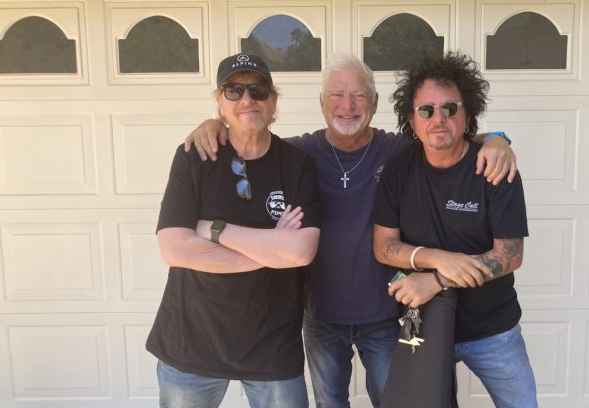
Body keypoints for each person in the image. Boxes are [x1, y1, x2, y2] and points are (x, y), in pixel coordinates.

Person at [185, 54, 518, 407]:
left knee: (395, 401)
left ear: (374, 104)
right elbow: (249, 140)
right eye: (336, 95)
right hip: (321, 315)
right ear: (322, 103)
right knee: (330, 403)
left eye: (359, 95)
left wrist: (497, 139)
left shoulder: (398, 150)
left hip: (387, 314)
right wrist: (213, 123)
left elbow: (446, 138)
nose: (348, 106)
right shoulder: (298, 153)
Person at [146, 53, 322, 408]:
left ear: (273, 102)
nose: (247, 100)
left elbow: (300, 252)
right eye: (234, 90)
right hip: (191, 341)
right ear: (219, 102)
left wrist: (215, 230)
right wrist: (271, 251)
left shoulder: (298, 164)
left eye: (258, 90)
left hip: (272, 344)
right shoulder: (193, 157)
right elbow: (174, 250)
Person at [372, 51, 537, 408]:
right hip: (425, 328)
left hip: (492, 328)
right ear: (411, 120)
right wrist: (437, 259)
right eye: (426, 110)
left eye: (450, 108)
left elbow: (510, 255)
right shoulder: (398, 171)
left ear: (467, 114)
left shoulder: (494, 168)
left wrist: (437, 280)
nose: (438, 119)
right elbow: (384, 245)